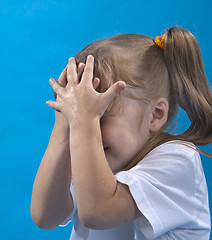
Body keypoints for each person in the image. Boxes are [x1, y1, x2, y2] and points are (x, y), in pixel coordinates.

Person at [31, 26, 212, 239]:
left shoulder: (178, 159)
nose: (85, 128)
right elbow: (45, 215)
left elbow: (97, 212)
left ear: (155, 115)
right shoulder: (96, 157)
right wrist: (63, 126)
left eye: (100, 115)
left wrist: (85, 121)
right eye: (76, 116)